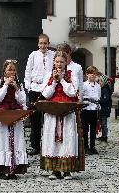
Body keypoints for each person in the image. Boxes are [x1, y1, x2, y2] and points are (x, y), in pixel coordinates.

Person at [40, 51, 78, 180]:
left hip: (66, 111)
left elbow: (72, 92)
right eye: (57, 61)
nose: (59, 64)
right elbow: (45, 94)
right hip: (52, 111)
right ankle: (55, 170)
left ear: (66, 62)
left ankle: (67, 170)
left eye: (62, 62)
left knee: (67, 138)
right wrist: (55, 82)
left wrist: (62, 80)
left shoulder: (70, 75)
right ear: (53, 62)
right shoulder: (48, 75)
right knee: (52, 139)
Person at [0, 59, 28, 180]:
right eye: (10, 69)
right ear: (4, 70)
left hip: (15, 115)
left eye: (14, 70)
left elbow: (22, 100)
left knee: (15, 142)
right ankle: (1, 170)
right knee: (2, 142)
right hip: (1, 115)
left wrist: (16, 89)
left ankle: (13, 170)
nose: (12, 72)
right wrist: (5, 85)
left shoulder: (18, 83)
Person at [24, 33, 55, 155]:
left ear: (48, 43)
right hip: (35, 88)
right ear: (38, 44)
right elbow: (28, 71)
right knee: (35, 119)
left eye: (45, 43)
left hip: (47, 88)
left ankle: (48, 145)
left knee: (48, 119)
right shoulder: (33, 55)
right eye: (41, 43)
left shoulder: (52, 55)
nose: (43, 45)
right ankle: (35, 146)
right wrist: (29, 87)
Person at [56, 43, 85, 171]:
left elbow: (80, 87)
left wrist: (80, 100)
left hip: (72, 101)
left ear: (69, 54)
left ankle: (72, 163)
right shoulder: (55, 66)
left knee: (72, 134)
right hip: (57, 103)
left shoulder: (76, 67)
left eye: (64, 54)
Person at [81, 66, 101, 155]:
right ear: (87, 74)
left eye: (95, 73)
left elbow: (98, 96)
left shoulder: (98, 86)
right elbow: (81, 96)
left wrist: (97, 105)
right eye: (91, 73)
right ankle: (85, 146)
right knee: (85, 129)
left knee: (93, 129)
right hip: (86, 109)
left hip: (94, 109)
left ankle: (92, 146)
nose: (93, 75)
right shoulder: (83, 84)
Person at [97, 74, 112, 143]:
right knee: (102, 123)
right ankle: (103, 135)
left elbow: (105, 99)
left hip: (105, 109)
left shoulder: (106, 89)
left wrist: (98, 101)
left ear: (104, 82)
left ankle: (104, 136)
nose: (99, 82)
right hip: (102, 109)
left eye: (100, 81)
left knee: (104, 124)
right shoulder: (102, 89)